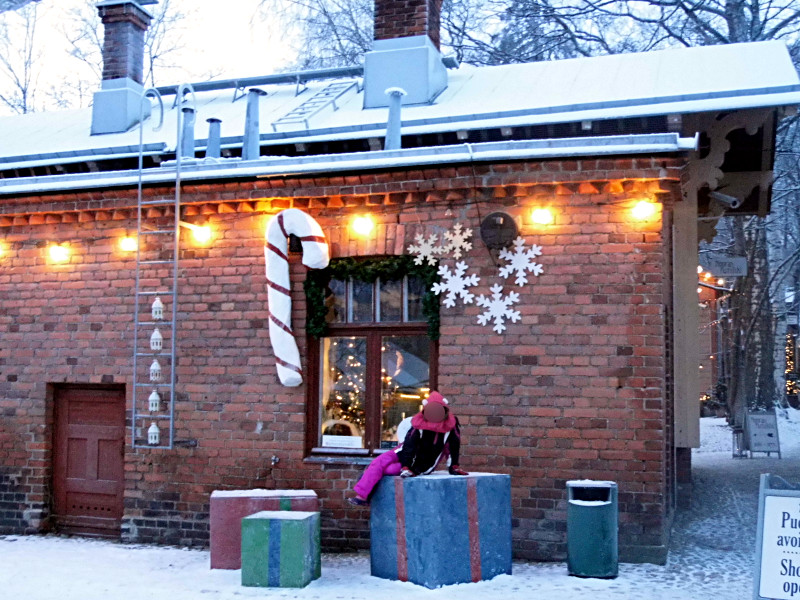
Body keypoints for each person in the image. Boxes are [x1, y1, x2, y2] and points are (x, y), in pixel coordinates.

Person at [348, 391, 468, 506]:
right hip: (403, 452)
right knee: (378, 462)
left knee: (388, 470)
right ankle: (361, 496)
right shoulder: (420, 422)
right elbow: (409, 444)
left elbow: (452, 447)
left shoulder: (450, 425)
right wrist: (406, 465)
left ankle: (367, 489)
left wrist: (453, 466)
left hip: (420, 464)